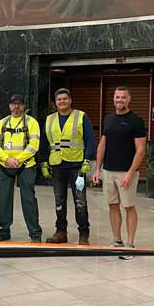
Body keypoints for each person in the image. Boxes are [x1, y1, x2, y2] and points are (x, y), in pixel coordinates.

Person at [92, 86, 147, 247]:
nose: (120, 100)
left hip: (126, 172)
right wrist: (98, 169)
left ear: (129, 99)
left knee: (129, 206)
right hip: (108, 171)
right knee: (113, 206)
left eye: (123, 97)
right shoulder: (108, 119)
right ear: (113, 99)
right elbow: (102, 144)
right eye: (117, 97)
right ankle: (117, 239)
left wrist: (130, 173)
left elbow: (141, 150)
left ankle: (130, 242)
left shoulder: (136, 121)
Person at [40, 88, 95, 244]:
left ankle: (84, 234)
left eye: (65, 99)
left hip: (77, 166)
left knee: (80, 201)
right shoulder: (49, 119)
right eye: (59, 99)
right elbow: (44, 142)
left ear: (70, 100)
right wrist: (44, 162)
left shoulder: (81, 117)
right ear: (55, 102)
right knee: (59, 202)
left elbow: (90, 140)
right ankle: (61, 232)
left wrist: (87, 160)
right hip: (57, 166)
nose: (62, 102)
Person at [0, 94, 42, 242]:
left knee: (29, 200)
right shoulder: (2, 123)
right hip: (4, 166)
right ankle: (4, 231)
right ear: (9, 106)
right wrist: (6, 159)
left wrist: (18, 160)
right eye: (14, 104)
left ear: (24, 106)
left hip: (26, 166)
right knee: (4, 200)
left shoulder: (31, 123)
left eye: (19, 104)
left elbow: (34, 145)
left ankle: (35, 233)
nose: (16, 107)